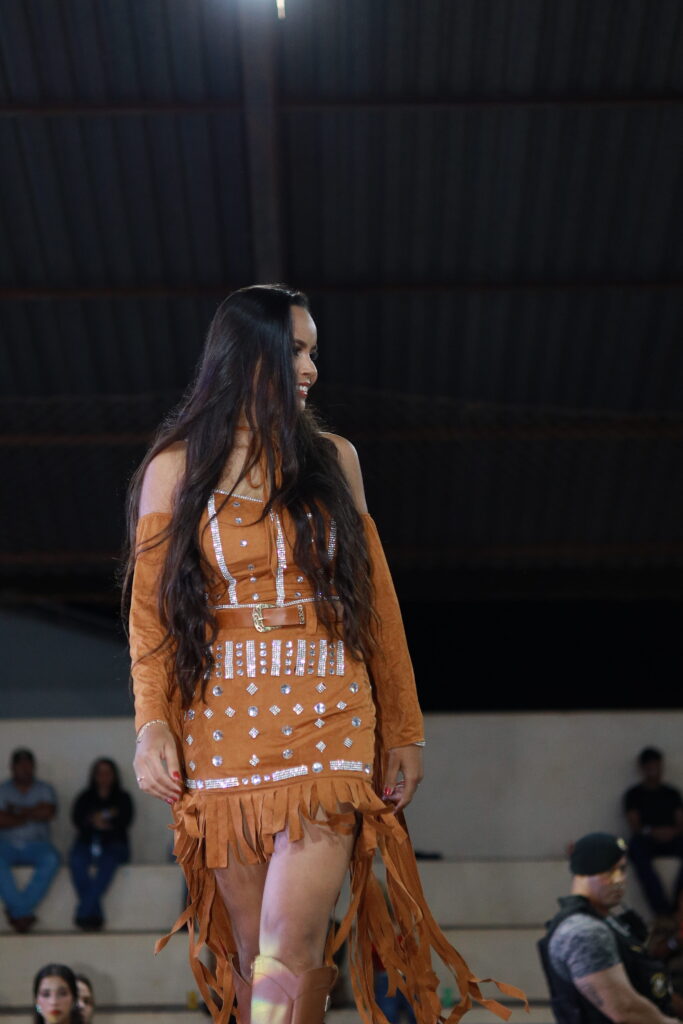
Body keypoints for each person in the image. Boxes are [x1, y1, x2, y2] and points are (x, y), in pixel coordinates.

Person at [123, 285, 524, 1024]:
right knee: (252, 954)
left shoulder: (335, 458)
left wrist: (403, 728)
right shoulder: (175, 468)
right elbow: (152, 617)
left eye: (312, 351)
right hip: (221, 723)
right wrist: (153, 723)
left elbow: (377, 604)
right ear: (249, 357)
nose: (311, 367)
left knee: (288, 945)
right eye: (298, 350)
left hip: (329, 713)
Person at [538, 831, 679, 1024]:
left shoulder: (609, 921)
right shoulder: (584, 930)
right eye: (608, 871)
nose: (619, 879)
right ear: (584, 873)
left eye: (622, 869)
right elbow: (624, 1009)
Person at [69, 757, 134, 930]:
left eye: (108, 773)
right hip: (87, 843)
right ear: (94, 775)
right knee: (76, 860)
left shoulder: (122, 798)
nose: (104, 777)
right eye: (100, 773)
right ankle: (93, 913)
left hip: (114, 845)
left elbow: (125, 820)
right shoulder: (85, 797)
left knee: (108, 862)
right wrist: (92, 821)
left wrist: (105, 823)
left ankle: (84, 912)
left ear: (114, 775)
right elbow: (77, 819)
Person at [0, 748, 60, 932]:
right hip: (7, 845)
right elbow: (1, 820)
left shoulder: (44, 789)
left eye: (28, 765)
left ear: (34, 767)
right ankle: (23, 912)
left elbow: (48, 813)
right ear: (12, 767)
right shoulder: (3, 790)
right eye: (20, 765)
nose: (24, 769)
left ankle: (18, 912)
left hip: (38, 845)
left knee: (51, 859)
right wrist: (32, 812)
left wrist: (15, 812)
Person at [624, 747, 683, 918]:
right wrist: (652, 832)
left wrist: (671, 832)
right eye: (650, 767)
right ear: (643, 768)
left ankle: (677, 906)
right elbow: (634, 824)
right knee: (635, 847)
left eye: (657, 766)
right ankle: (662, 910)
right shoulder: (634, 795)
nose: (655, 771)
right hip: (646, 840)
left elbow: (680, 821)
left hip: (672, 839)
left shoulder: (671, 793)